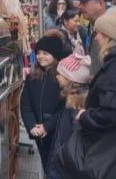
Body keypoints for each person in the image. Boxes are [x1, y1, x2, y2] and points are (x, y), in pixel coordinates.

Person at [59, 13, 116, 178]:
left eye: (99, 33)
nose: (96, 38)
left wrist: (85, 116)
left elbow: (110, 113)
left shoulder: (113, 69)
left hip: (105, 148)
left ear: (109, 36)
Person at [20, 35, 68, 171]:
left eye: (45, 53)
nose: (41, 57)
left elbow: (65, 107)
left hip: (56, 131)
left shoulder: (62, 78)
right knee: (46, 164)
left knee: (56, 167)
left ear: (55, 55)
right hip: (38, 133)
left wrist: (47, 126)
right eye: (39, 53)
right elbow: (26, 104)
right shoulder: (32, 77)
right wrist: (31, 126)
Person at [46, 53, 91, 179]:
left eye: (61, 74)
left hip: (64, 168)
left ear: (71, 79)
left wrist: (59, 158)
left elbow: (70, 140)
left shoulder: (75, 105)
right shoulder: (73, 100)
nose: (57, 76)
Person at [71, 0, 114, 76]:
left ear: (101, 3)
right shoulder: (92, 24)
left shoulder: (111, 30)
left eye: (84, 2)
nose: (79, 6)